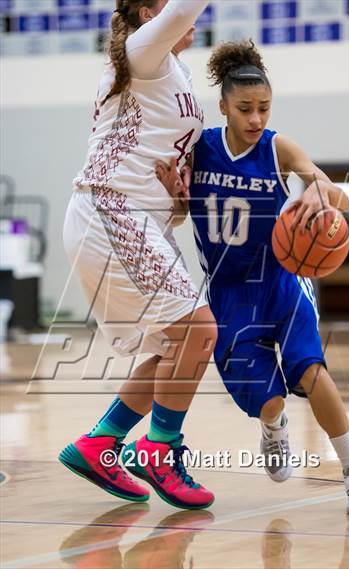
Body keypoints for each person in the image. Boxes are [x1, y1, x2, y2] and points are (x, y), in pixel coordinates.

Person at [156, 40, 349, 515]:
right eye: (245, 109)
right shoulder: (201, 150)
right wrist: (174, 194)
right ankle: (273, 427)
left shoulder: (277, 147)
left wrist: (319, 193)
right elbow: (179, 217)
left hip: (281, 282)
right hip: (229, 293)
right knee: (270, 400)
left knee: (311, 369)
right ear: (223, 107)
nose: (256, 118)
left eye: (263, 108)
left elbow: (328, 188)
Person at [59, 0, 218, 511]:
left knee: (174, 346)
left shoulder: (175, 70)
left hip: (142, 217)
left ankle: (100, 444)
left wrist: (178, 197)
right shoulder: (143, 50)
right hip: (111, 212)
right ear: (151, 14)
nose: (190, 19)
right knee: (198, 332)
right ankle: (160, 449)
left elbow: (157, 156)